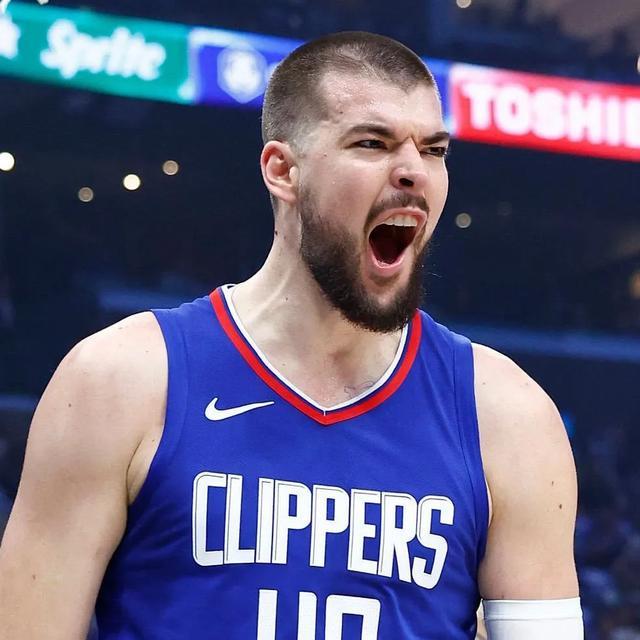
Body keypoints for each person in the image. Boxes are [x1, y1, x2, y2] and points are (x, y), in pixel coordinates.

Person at [0, 32, 582, 639]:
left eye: (433, 150)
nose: (414, 171)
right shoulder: (121, 381)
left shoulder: (509, 418)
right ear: (283, 170)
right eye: (372, 143)